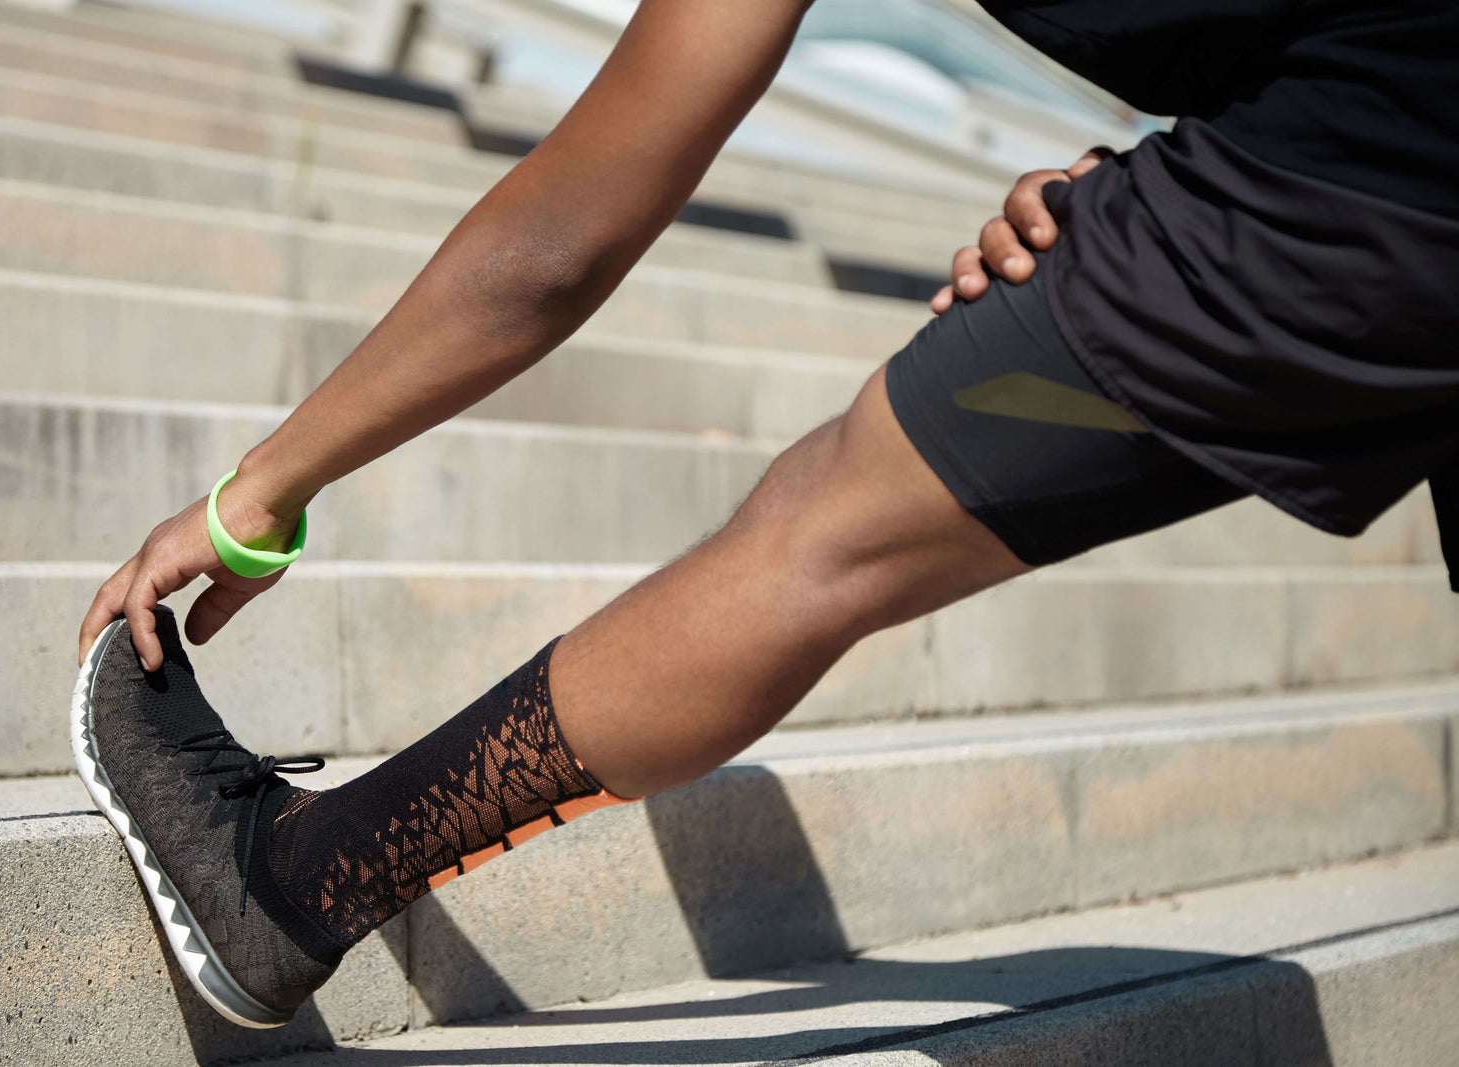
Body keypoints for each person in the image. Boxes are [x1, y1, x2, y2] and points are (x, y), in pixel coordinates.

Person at [71, 0, 1459, 1028]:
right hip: (1381, 142)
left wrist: (259, 493)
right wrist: (1159, 169)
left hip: (1370, 183)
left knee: (822, 532)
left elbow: (556, 250)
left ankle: (292, 881)